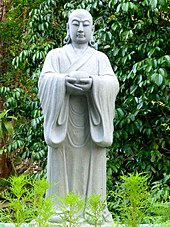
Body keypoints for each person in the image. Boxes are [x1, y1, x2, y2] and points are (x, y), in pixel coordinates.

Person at [38, 9, 119, 223]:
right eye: (75, 24)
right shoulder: (55, 56)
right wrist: (63, 82)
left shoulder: (100, 59)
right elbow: (45, 81)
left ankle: (93, 213)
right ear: (67, 28)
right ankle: (58, 212)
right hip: (62, 123)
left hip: (92, 124)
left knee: (93, 169)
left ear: (93, 30)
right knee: (59, 166)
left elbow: (112, 84)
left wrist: (94, 84)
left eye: (85, 25)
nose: (80, 29)